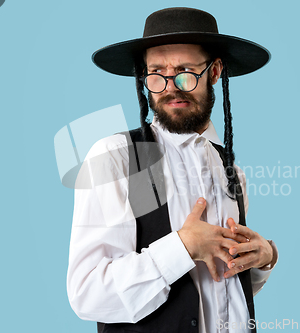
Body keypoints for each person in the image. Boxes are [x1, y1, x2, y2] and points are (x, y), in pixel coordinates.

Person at [67, 7, 278, 333]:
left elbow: (220, 290)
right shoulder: (119, 158)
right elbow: (89, 293)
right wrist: (181, 247)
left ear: (215, 72)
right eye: (156, 72)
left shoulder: (230, 171)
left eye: (185, 71)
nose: (170, 86)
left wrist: (262, 259)